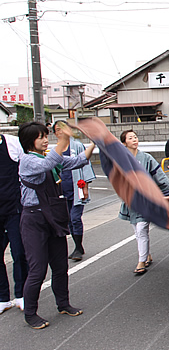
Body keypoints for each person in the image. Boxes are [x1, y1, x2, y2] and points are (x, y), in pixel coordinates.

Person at [18, 121, 95, 329]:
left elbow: (78, 161)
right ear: (28, 141)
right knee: (37, 270)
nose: (45, 140)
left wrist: (94, 142)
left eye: (46, 136)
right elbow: (48, 164)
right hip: (34, 220)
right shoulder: (27, 160)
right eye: (41, 136)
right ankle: (30, 313)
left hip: (53, 217)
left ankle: (63, 303)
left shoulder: (48, 157)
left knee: (60, 266)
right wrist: (63, 140)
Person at [119, 130, 169, 275]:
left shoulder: (146, 158)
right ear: (124, 142)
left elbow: (159, 174)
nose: (134, 140)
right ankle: (147, 255)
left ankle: (141, 262)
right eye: (130, 138)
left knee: (141, 228)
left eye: (135, 137)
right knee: (137, 231)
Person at [52, 121, 96, 262]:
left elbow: (84, 164)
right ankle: (78, 245)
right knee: (69, 220)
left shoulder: (76, 146)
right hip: (62, 190)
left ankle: (78, 248)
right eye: (57, 130)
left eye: (62, 129)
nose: (60, 132)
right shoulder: (55, 150)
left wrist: (85, 187)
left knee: (75, 218)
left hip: (76, 188)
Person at [0, 133, 28, 314]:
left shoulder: (11, 142)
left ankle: (21, 295)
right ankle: (3, 297)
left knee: (19, 252)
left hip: (13, 208)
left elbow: (24, 168)